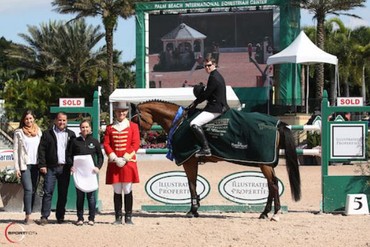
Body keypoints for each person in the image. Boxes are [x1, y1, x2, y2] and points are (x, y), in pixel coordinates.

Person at [103, 101, 140, 225]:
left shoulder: (133, 126)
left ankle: (128, 217)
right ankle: (118, 217)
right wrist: (114, 157)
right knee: (117, 190)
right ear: (115, 112)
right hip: (114, 163)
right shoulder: (109, 128)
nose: (121, 113)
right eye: (119, 111)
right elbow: (107, 144)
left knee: (128, 189)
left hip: (128, 162)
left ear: (127, 112)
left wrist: (124, 158)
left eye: (123, 111)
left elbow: (135, 144)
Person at [38, 112, 76, 225]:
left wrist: (73, 164)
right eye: (60, 120)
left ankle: (60, 217)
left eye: (64, 120)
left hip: (65, 168)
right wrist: (42, 165)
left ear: (67, 121)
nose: (62, 122)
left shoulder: (71, 134)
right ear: (55, 120)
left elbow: (74, 152)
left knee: (63, 193)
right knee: (48, 192)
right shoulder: (47, 134)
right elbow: (41, 150)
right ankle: (44, 216)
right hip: (51, 168)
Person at [188, 56, 229, 157]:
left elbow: (206, 94)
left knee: (194, 123)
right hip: (216, 106)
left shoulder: (214, 77)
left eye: (209, 65)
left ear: (214, 65)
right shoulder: (215, 75)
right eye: (205, 66)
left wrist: (195, 103)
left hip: (215, 108)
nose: (207, 67)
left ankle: (206, 148)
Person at [70, 120, 103, 226]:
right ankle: (80, 218)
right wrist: (71, 166)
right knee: (80, 196)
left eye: (87, 127)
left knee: (91, 197)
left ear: (90, 129)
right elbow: (69, 155)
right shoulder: (75, 141)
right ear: (80, 129)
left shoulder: (95, 141)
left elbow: (100, 156)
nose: (85, 129)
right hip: (79, 173)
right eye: (83, 127)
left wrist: (98, 167)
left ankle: (91, 218)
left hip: (91, 173)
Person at [13, 110, 42, 225]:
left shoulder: (39, 131)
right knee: (28, 189)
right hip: (25, 165)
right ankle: (27, 216)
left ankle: (30, 211)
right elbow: (15, 151)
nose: (29, 121)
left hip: (36, 164)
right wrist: (17, 168)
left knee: (33, 189)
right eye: (26, 119)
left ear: (33, 118)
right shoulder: (19, 133)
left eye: (30, 118)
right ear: (23, 120)